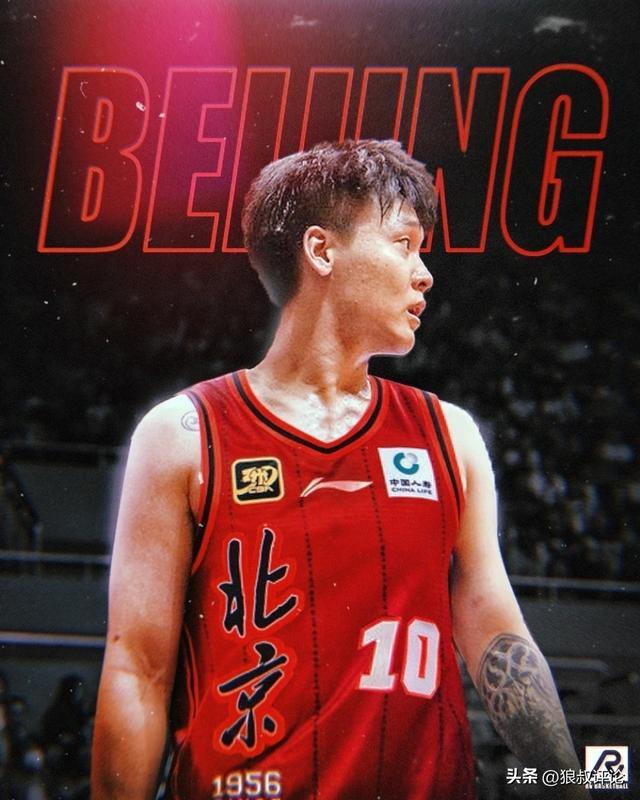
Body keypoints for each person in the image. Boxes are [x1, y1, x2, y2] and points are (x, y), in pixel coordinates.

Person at [91, 139, 587, 799]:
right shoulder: (183, 434)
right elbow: (137, 671)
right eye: (404, 244)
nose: (425, 274)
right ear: (322, 251)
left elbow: (499, 637)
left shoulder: (450, 436)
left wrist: (570, 784)